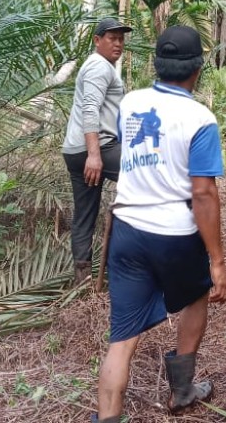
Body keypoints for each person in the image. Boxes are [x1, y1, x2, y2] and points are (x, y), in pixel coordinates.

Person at [93, 26, 226, 422]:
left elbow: (129, 151)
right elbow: (203, 194)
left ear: (157, 64)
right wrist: (217, 261)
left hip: (127, 231)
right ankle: (183, 389)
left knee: (121, 339)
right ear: (197, 69)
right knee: (196, 294)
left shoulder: (131, 103)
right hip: (174, 234)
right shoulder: (200, 118)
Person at [63, 17, 133, 284]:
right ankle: (129, 262)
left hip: (77, 149)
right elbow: (90, 110)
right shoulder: (99, 67)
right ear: (97, 40)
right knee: (145, 173)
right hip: (96, 148)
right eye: (111, 38)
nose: (118, 43)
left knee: (85, 213)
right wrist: (94, 155)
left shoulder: (101, 67)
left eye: (121, 39)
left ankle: (81, 279)